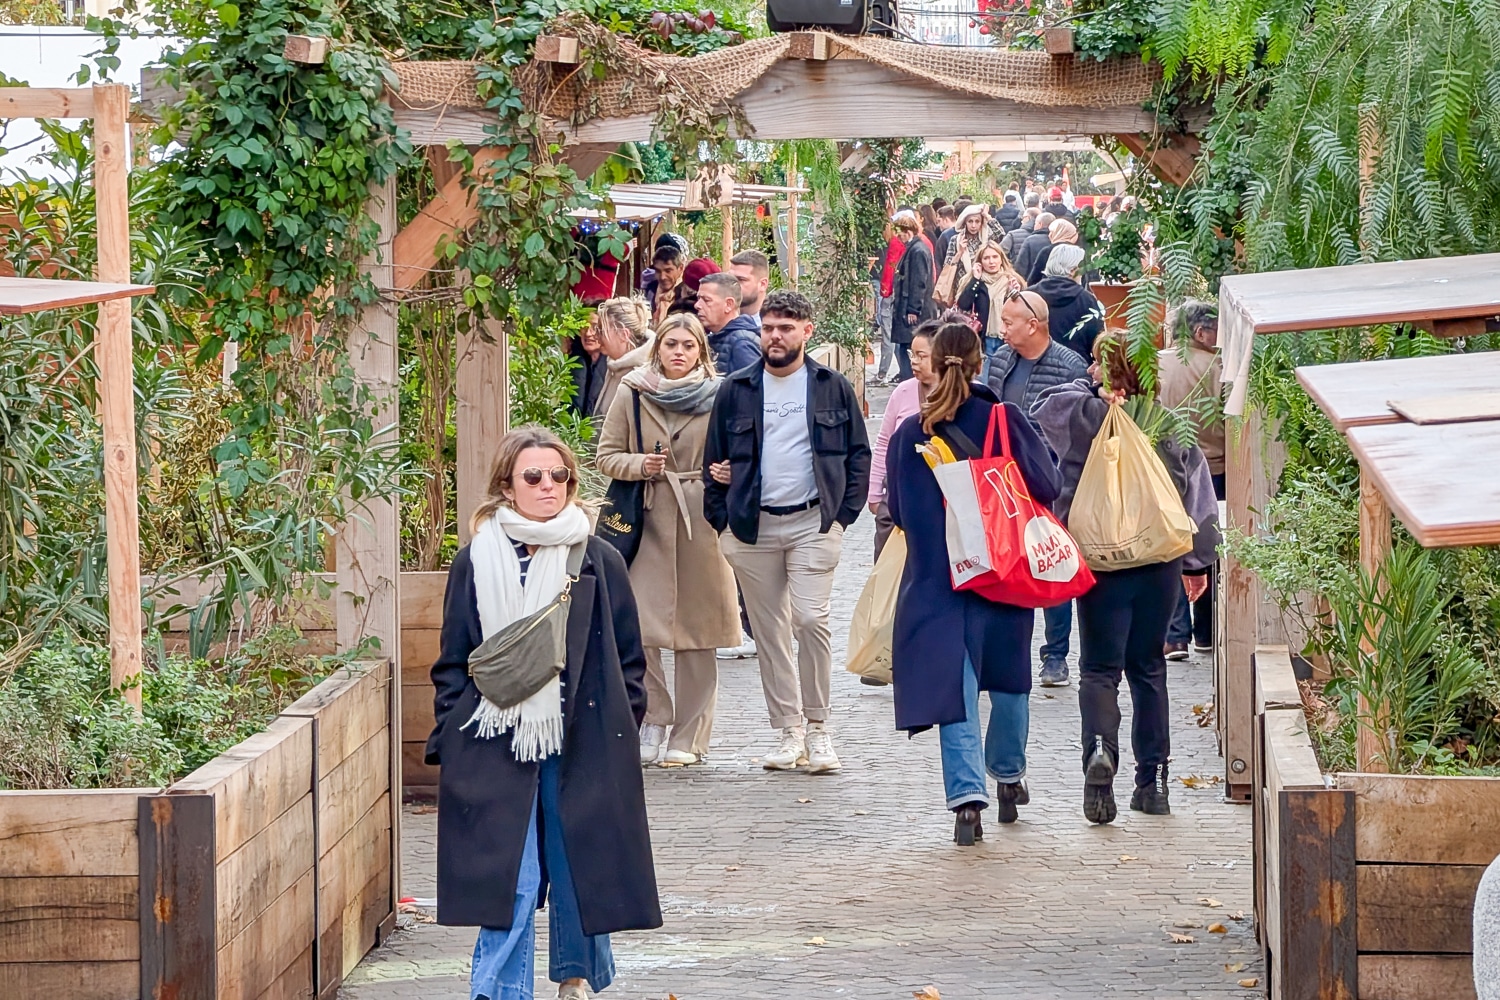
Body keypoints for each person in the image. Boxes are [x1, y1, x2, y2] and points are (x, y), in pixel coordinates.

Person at [427, 425, 661, 1000]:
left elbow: (631, 657)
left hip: (583, 737)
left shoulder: (598, 558)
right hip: (494, 736)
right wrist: (454, 731)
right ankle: (499, 990)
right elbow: (454, 656)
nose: (548, 486)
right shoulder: (476, 560)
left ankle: (575, 976)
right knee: (512, 874)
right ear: (507, 485)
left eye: (560, 476)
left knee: (578, 859)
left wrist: (621, 725)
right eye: (533, 476)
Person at [885, 322, 1062, 845]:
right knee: (1009, 679)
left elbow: (897, 509)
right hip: (1002, 571)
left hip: (937, 578)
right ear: (980, 362)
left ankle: (967, 801)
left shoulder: (908, 435)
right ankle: (1007, 775)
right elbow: (1048, 484)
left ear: (935, 366)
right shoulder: (1004, 421)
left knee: (955, 689)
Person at [1033, 335, 1222, 824]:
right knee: (1148, 669)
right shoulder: (1169, 423)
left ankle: (1100, 752)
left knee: (1099, 668)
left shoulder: (1083, 416)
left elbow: (1043, 409)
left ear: (1100, 368)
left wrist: (1094, 388)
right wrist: (1198, 564)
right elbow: (1196, 498)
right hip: (1158, 560)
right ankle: (1153, 782)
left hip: (1100, 560)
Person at [703, 290, 870, 774]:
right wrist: (723, 525)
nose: (775, 336)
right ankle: (788, 730)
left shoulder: (830, 386)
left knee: (810, 620)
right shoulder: (736, 389)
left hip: (813, 522)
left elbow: (859, 454)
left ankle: (819, 728)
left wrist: (842, 518)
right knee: (771, 633)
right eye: (769, 327)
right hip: (752, 527)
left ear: (806, 331)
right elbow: (711, 461)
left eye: (785, 328)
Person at [596, 313, 739, 767]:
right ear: (657, 348)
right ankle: (653, 716)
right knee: (641, 625)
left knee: (700, 630)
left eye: (688, 345)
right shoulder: (632, 391)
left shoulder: (723, 396)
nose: (679, 352)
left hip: (702, 519)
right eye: (671, 344)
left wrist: (729, 473)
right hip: (649, 515)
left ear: (702, 352)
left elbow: (744, 453)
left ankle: (690, 736)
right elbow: (605, 456)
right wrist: (641, 465)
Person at [981, 291, 1088, 689]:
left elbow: (1078, 427)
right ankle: (1003, 651)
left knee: (1051, 561)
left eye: (1009, 323)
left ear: (1034, 324)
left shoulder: (1068, 365)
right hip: (1004, 478)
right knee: (1004, 561)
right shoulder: (1001, 360)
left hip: (1050, 477)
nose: (1002, 330)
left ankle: (1055, 654)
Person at [1158, 300, 1225, 659]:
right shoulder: (1220, 368)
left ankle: (1176, 634)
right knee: (1208, 545)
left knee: (1171, 546)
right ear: (1200, 333)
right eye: (1216, 330)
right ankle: (1207, 631)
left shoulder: (1155, 364)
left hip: (1164, 468)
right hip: (1213, 469)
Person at [868, 319, 940, 560]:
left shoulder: (966, 394)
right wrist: (875, 493)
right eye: (912, 354)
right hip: (897, 497)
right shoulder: (903, 391)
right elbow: (884, 443)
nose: (914, 362)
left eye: (922, 356)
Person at [1030, 243, 1106, 362]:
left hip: (1034, 363)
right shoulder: (1086, 300)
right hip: (1076, 365)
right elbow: (1097, 339)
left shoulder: (1029, 295)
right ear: (1072, 270)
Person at [955, 241, 1026, 355]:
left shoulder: (1012, 280)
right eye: (986, 258)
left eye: (995, 257)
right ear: (980, 262)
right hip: (981, 338)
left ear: (1001, 259)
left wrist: (1015, 292)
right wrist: (975, 280)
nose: (991, 261)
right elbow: (963, 304)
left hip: (1006, 337)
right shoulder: (973, 281)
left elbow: (1022, 312)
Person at [891, 213, 937, 381]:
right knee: (904, 348)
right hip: (911, 308)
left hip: (913, 311)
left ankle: (910, 383)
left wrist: (913, 309)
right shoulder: (916, 249)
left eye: (900, 232)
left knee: (907, 349)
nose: (898, 236)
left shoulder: (917, 251)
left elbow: (919, 281)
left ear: (907, 231)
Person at [593, 297, 654, 419]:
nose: (596, 336)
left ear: (623, 335)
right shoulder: (614, 365)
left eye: (601, 331)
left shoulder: (642, 377)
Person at [695, 272, 762, 376]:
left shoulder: (742, 344)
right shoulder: (714, 338)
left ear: (729, 304)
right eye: (698, 299)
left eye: (706, 300)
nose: (697, 305)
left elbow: (753, 388)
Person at [872, 221, 905, 386]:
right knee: (895, 334)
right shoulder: (910, 243)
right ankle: (902, 371)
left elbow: (889, 270)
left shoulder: (894, 243)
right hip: (899, 293)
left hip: (890, 291)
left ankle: (883, 373)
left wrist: (885, 291)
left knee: (888, 332)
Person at [567, 314, 608, 417]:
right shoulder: (570, 362)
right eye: (584, 327)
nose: (588, 333)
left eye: (595, 327)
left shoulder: (613, 367)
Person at [1025, 218, 1079, 286]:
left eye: (1051, 232)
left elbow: (1034, 278)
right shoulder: (1078, 252)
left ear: (1058, 232)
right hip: (1074, 292)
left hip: (1047, 291)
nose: (1049, 235)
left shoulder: (1047, 251)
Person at [728, 249, 771, 327]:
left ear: (762, 284)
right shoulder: (718, 322)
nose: (732, 284)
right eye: (730, 278)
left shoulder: (774, 326)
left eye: (741, 279)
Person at [1011, 212, 1054, 282]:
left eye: (1035, 223)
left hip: (1033, 283)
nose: (1034, 226)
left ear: (1040, 224)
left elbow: (1021, 265)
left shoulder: (1030, 240)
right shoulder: (1055, 241)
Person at [649, 244, 685, 327]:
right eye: (658, 271)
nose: (662, 277)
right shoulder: (650, 290)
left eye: (668, 271)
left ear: (680, 268)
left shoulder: (686, 295)